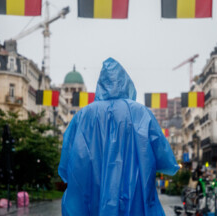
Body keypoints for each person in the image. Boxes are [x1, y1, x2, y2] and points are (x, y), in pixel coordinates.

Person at [58, 58, 179, 216]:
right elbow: (165, 159)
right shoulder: (142, 114)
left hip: (92, 197)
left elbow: (67, 161)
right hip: (134, 197)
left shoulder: (83, 116)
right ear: (125, 83)